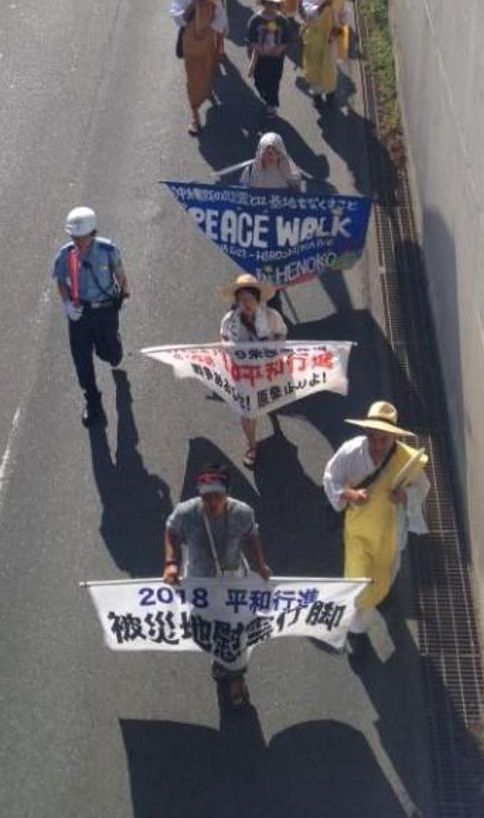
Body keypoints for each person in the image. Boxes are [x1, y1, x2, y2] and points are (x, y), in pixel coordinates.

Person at [323, 401, 430, 658]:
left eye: (384, 439)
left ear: (393, 436)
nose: (377, 444)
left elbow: (422, 488)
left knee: (388, 570)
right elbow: (330, 478)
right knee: (359, 585)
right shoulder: (350, 452)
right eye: (372, 437)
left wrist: (404, 496)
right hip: (359, 532)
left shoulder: (406, 458)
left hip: (392, 534)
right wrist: (349, 493)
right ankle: (357, 635)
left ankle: (382, 595)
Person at [163, 463, 273, 708]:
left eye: (218, 496)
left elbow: (251, 536)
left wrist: (261, 565)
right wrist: (171, 563)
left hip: (235, 582)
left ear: (227, 493)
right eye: (206, 497)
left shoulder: (242, 512)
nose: (212, 502)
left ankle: (236, 678)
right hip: (201, 583)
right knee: (207, 628)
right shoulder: (186, 512)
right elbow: (171, 529)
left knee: (236, 631)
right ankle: (221, 658)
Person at [52, 207, 130, 428]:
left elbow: (121, 274)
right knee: (81, 358)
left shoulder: (108, 250)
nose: (77, 241)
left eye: (82, 237)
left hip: (105, 311)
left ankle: (113, 348)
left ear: (92, 233)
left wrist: (124, 295)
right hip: (80, 312)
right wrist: (67, 303)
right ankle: (92, 399)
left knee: (110, 354)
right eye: (74, 237)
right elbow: (60, 280)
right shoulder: (65, 254)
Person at [219, 273, 288, 468]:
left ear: (257, 299)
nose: (245, 303)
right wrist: (233, 349)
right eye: (241, 300)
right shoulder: (229, 320)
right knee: (248, 411)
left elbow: (282, 333)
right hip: (243, 373)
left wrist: (271, 347)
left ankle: (270, 416)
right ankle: (251, 446)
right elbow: (223, 338)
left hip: (266, 369)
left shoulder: (271, 317)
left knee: (266, 399)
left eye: (249, 298)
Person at [170, 0, 228, 134]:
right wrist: (192, 4)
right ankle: (195, 114)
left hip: (207, 42)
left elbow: (221, 17)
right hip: (191, 45)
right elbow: (177, 17)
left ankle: (207, 89)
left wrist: (211, 29)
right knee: (194, 78)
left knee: (209, 70)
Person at [301, 0, 351, 106]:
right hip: (314, 35)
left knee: (329, 66)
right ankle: (316, 95)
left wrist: (340, 25)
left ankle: (330, 92)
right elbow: (309, 12)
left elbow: (343, 12)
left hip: (332, 35)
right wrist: (323, 4)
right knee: (314, 66)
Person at [246, 0, 291, 117]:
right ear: (263, 3)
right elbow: (251, 38)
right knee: (259, 80)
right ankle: (265, 95)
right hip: (260, 57)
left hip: (276, 59)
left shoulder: (282, 21)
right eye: (268, 3)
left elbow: (286, 39)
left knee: (273, 81)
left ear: (277, 5)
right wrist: (258, 49)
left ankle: (271, 104)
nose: (271, 6)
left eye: (274, 3)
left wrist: (279, 49)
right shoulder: (255, 20)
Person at [238, 131, 302, 189]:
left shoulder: (290, 170)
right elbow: (242, 192)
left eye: (274, 151)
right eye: (266, 152)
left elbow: (297, 191)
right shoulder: (250, 170)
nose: (270, 156)